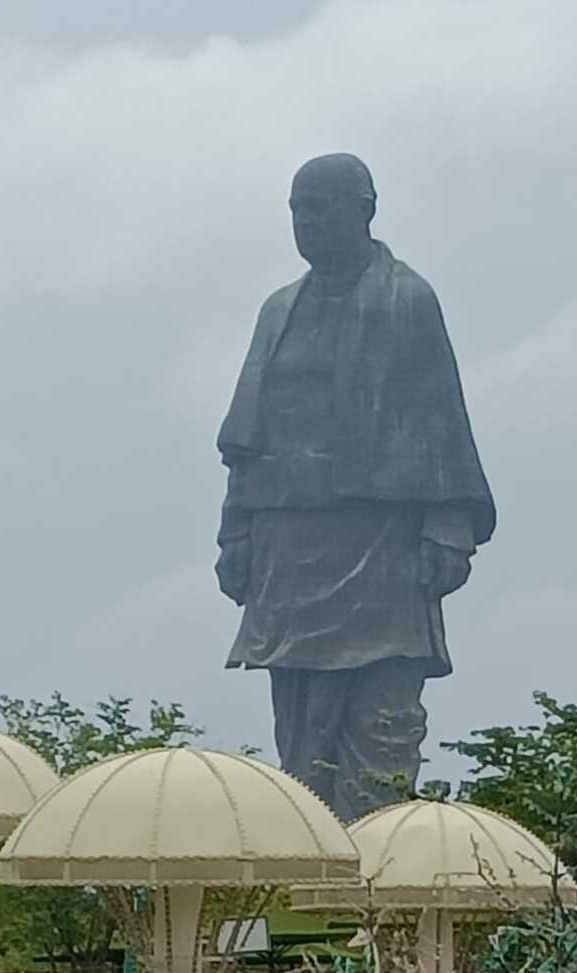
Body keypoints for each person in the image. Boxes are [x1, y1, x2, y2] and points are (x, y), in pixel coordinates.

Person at [215, 153, 495, 820]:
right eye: (296, 210)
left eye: (320, 207)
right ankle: (312, 866)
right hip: (288, 551)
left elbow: (441, 420)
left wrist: (448, 527)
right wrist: (235, 535)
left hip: (380, 548)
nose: (306, 222)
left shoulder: (407, 300)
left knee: (381, 730)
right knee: (302, 743)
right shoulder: (278, 311)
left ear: (365, 209)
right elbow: (246, 442)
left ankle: (375, 865)